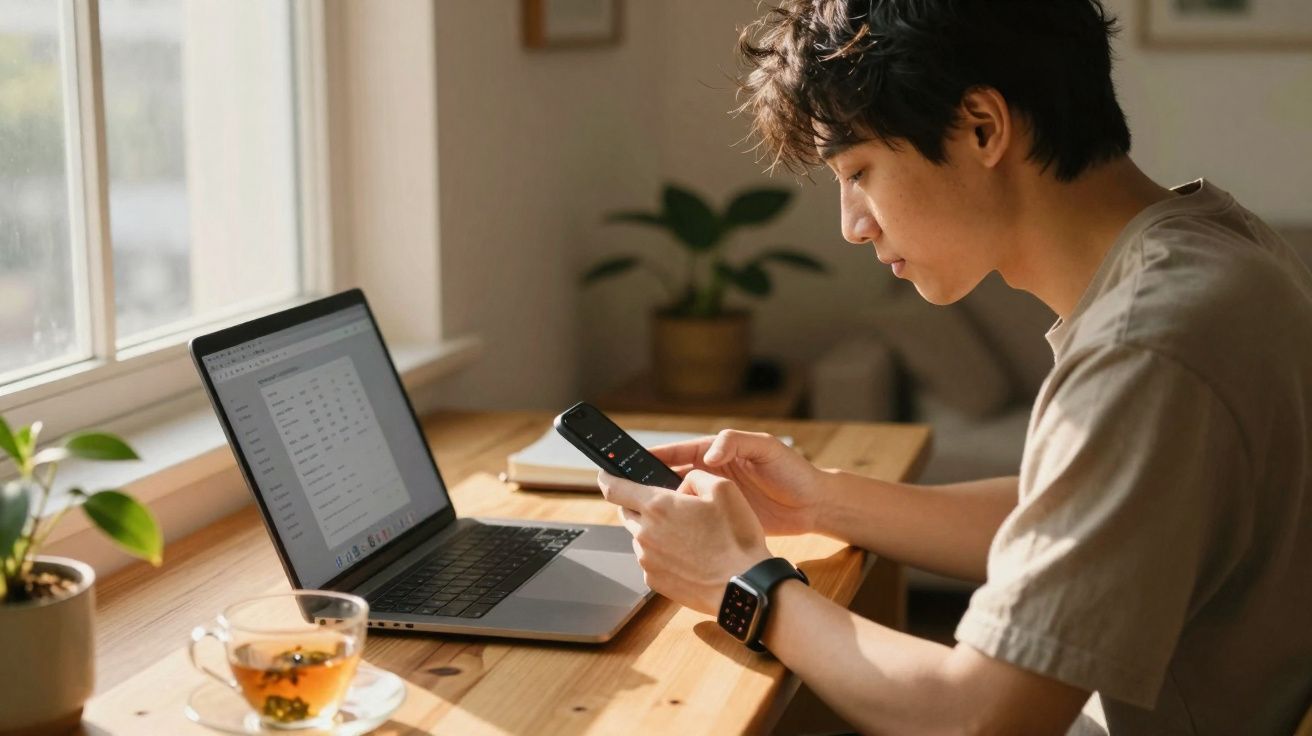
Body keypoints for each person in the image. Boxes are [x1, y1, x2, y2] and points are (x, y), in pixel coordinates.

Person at [595, 1, 1312, 734]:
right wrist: (821, 502)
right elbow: (1087, 520)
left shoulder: (1148, 344)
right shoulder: (1218, 249)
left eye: (859, 171)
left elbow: (977, 718)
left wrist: (742, 583)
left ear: (982, 127)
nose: (853, 224)